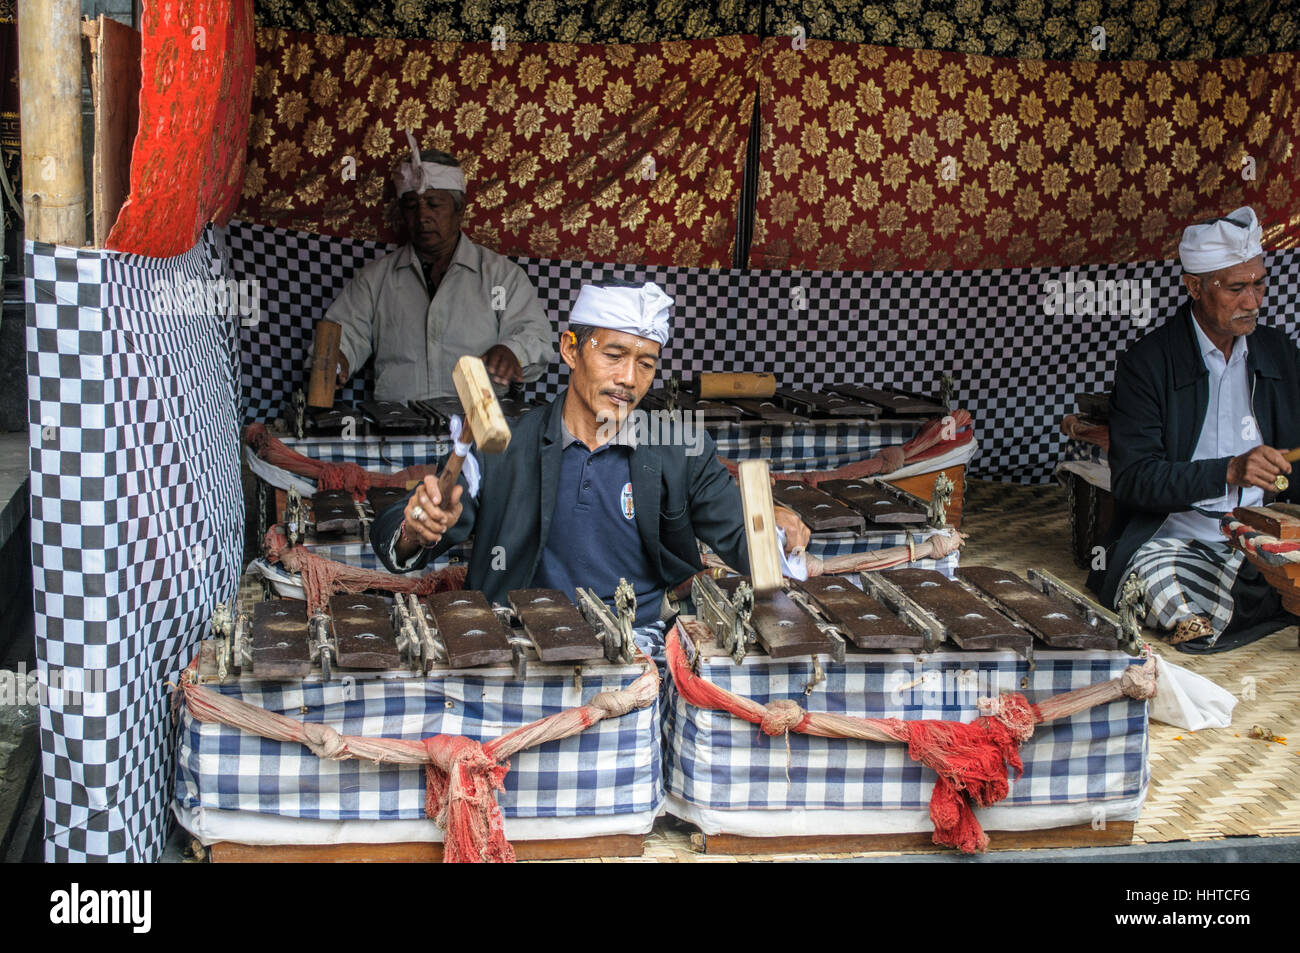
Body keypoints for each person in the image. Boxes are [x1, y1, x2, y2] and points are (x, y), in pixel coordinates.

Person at [372, 280, 812, 629]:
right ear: (570, 349)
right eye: (614, 355)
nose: (628, 378)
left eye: (646, 363)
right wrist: (416, 528)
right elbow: (400, 538)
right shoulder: (500, 449)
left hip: (640, 643)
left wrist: (773, 531)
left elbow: (743, 536)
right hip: (518, 639)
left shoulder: (680, 451)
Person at [1088, 206, 1300, 650]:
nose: (1254, 301)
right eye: (1237, 288)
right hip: (1181, 541)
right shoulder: (1149, 364)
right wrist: (1229, 471)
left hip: (1262, 543)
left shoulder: (1278, 352)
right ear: (1194, 287)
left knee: (1277, 568)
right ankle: (1218, 610)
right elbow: (1133, 479)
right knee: (1152, 571)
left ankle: (1253, 597)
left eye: (1260, 284)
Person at [314, 133, 553, 401]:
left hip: (478, 429)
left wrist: (513, 352)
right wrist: (335, 362)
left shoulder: (500, 277)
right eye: (412, 206)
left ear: (459, 209)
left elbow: (538, 338)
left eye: (434, 204)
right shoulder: (375, 280)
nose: (422, 216)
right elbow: (340, 335)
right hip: (398, 428)